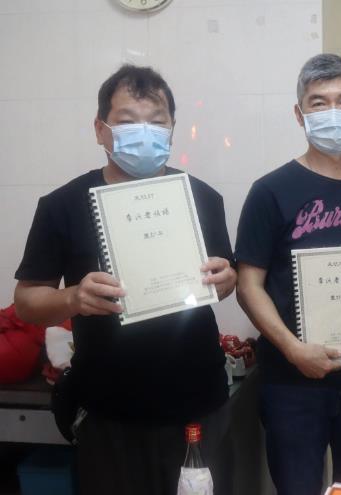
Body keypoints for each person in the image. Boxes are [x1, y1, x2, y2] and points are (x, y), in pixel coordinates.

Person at [14, 65, 237, 495]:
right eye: (128, 121)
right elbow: (26, 302)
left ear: (172, 129)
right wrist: (74, 298)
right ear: (101, 129)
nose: (145, 132)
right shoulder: (62, 205)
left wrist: (227, 280)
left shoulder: (202, 198)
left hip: (197, 403)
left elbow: (224, 279)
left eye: (157, 121)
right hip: (109, 409)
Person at [234, 53, 341, 495]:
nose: (334, 113)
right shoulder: (269, 192)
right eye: (319, 102)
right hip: (292, 383)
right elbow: (248, 286)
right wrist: (293, 349)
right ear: (299, 114)